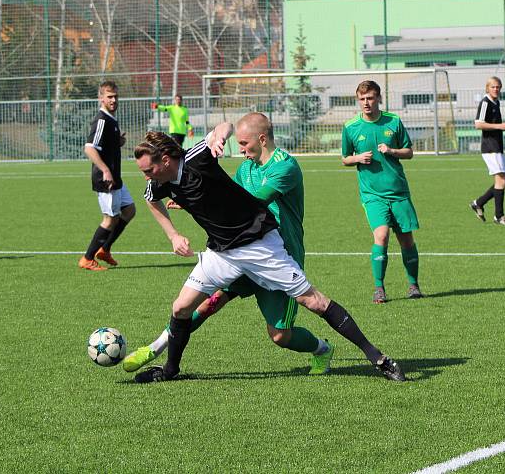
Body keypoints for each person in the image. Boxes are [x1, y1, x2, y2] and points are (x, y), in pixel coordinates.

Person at [132, 129, 405, 382]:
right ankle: (170, 370)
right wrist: (173, 235)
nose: (147, 176)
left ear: (166, 160)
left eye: (149, 169)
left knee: (314, 302)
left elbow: (223, 126)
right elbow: (150, 198)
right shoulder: (160, 182)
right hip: (222, 252)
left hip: (259, 245)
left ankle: (377, 357)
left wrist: (219, 138)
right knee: (181, 308)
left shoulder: (197, 157)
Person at [122, 112, 334, 376]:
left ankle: (322, 349)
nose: (241, 150)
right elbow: (226, 198)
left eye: (244, 144)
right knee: (206, 303)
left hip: (276, 250)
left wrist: (198, 198)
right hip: (238, 249)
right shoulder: (246, 169)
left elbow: (250, 204)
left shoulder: (284, 166)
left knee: (280, 336)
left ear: (262, 139)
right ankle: (158, 348)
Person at [341, 80, 422, 304]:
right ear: (358, 100)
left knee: (406, 239)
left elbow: (409, 152)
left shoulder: (393, 122)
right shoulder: (350, 127)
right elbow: (345, 158)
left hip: (398, 191)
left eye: (370, 98)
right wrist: (357, 158)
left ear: (378, 98)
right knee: (382, 235)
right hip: (372, 194)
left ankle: (413, 285)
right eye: (362, 99)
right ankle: (379, 288)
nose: (366, 103)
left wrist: (392, 150)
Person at [78, 80, 136, 271]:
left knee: (129, 210)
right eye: (109, 96)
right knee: (109, 219)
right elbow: (89, 148)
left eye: (115, 96)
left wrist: (117, 142)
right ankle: (87, 258)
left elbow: (105, 146)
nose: (113, 100)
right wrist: (105, 170)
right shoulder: (102, 120)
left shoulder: (111, 119)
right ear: (101, 98)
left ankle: (105, 249)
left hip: (115, 177)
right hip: (106, 179)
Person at [469, 76, 505, 225]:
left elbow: (494, 124)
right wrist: (500, 126)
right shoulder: (485, 102)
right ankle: (499, 216)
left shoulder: (496, 102)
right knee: (501, 180)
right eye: (493, 87)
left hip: (497, 146)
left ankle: (479, 203)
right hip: (490, 147)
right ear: (487, 88)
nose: (496, 89)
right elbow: (478, 124)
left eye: (498, 87)